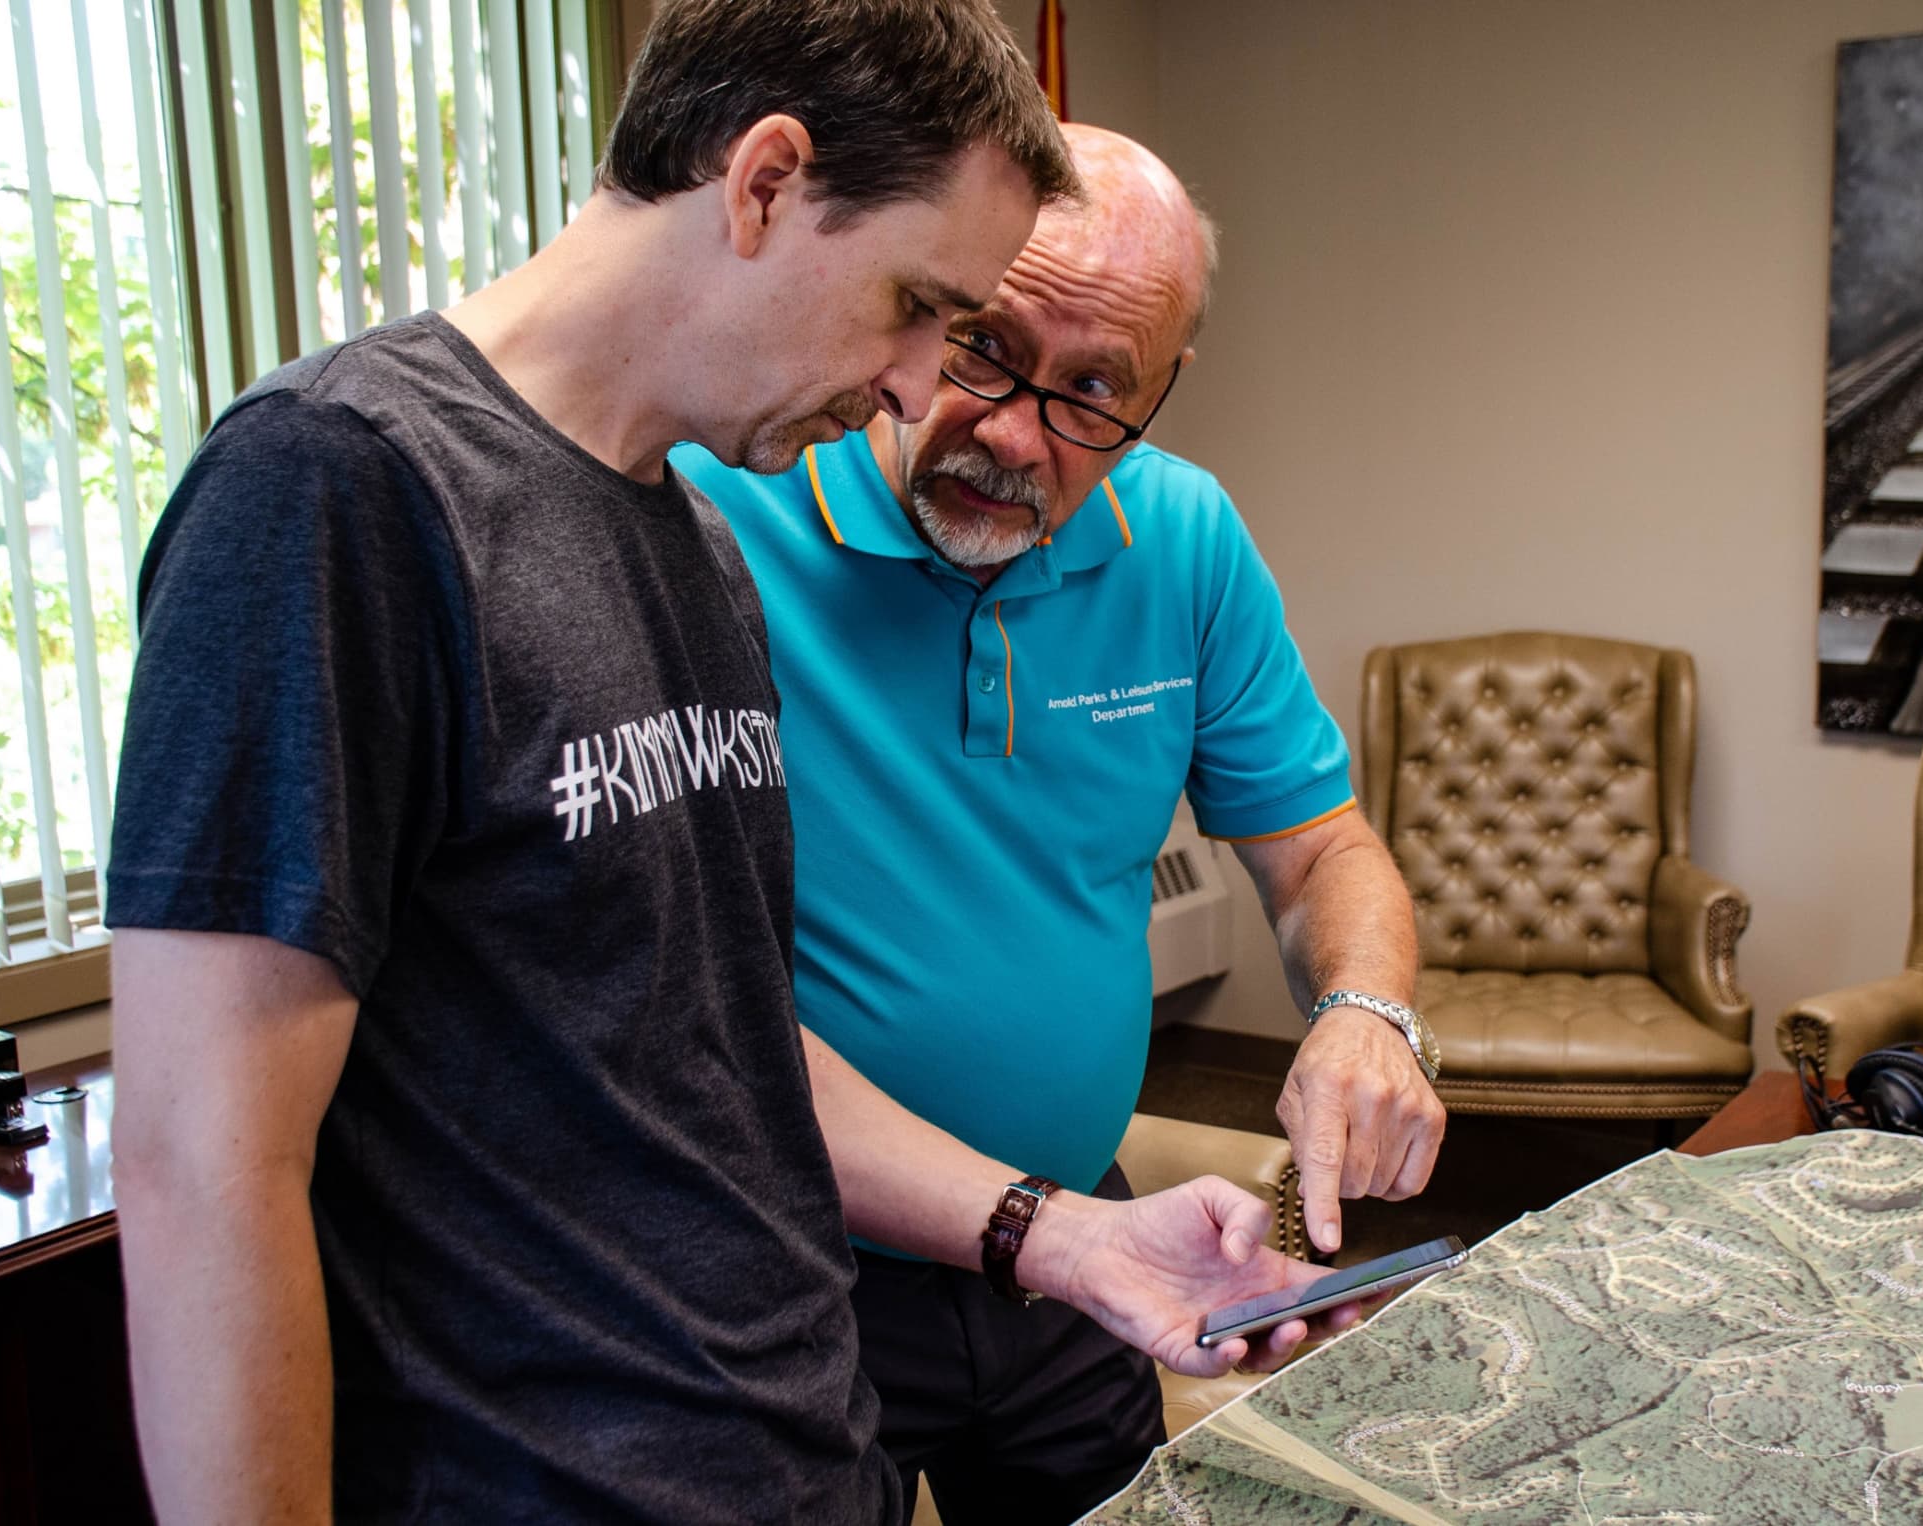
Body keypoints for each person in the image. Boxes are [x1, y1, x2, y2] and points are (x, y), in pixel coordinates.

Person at [105, 10, 1338, 1524]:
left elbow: (732, 1047)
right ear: (764, 183)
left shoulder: (686, 537)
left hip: (797, 1455)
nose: (907, 385)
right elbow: (201, 1168)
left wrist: (1064, 1236)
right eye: (920, 309)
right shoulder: (335, 484)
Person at [669, 123, 1449, 1525]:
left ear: (1163, 389)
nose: (1019, 433)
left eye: (1095, 391)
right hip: (785, 1265)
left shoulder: (1185, 536)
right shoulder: (728, 502)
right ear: (920, 300)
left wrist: (1364, 1007)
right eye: (984, 346)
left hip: (1083, 1240)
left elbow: (1325, 850)